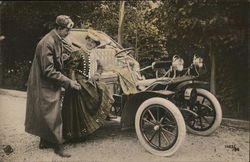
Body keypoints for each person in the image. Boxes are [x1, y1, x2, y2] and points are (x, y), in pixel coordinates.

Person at [25, 15, 81, 158]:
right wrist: (68, 81)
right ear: (60, 28)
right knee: (53, 113)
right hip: (43, 82)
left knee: (47, 112)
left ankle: (45, 141)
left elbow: (56, 60)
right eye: (67, 30)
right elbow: (48, 70)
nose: (69, 33)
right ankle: (58, 146)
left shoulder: (56, 39)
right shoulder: (48, 42)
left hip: (48, 81)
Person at [61, 29, 114, 142]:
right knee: (80, 103)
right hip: (79, 81)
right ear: (86, 41)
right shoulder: (79, 52)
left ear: (95, 45)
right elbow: (71, 69)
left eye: (93, 42)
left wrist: (97, 74)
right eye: (89, 40)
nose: (90, 43)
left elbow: (100, 67)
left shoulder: (94, 54)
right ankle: (76, 134)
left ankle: (90, 125)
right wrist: (73, 82)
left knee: (102, 88)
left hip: (89, 80)